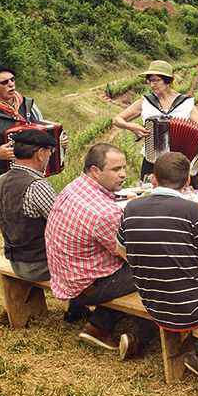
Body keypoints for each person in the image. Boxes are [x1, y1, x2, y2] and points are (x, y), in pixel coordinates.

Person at [116, 152, 198, 382]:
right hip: (193, 309)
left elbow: (120, 250)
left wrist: (154, 265)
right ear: (187, 181)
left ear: (153, 179)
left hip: (154, 306)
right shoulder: (193, 211)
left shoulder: (131, 208)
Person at [45, 143, 159, 358]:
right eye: (116, 169)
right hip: (88, 285)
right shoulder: (104, 212)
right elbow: (135, 255)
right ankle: (138, 339)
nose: (123, 174)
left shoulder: (74, 187)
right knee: (161, 270)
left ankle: (98, 326)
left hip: (66, 275)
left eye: (123, 167)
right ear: (95, 171)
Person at [111, 60, 198, 185]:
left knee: (187, 193)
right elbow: (117, 119)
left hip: (181, 162)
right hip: (153, 161)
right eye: (149, 81)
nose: (152, 85)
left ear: (168, 82)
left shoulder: (186, 103)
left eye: (156, 80)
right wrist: (130, 126)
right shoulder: (146, 102)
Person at [0, 63, 68, 192]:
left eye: (12, 79)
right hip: (2, 179)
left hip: (34, 176)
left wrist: (58, 141)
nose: (11, 84)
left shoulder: (28, 105)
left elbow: (43, 133)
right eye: (4, 82)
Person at [0, 128, 58, 282]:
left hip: (15, 262)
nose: (50, 156)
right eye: (50, 151)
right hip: (40, 265)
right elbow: (64, 226)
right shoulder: (37, 185)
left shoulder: (0, 180)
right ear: (40, 154)